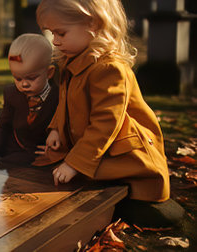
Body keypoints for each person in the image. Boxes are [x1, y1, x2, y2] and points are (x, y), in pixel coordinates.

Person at [33, 0, 184, 226]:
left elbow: (106, 123)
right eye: (52, 33)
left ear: (93, 23)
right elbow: (65, 102)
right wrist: (56, 128)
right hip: (95, 149)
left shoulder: (109, 68)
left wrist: (74, 163)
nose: (55, 41)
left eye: (61, 33)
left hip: (125, 155)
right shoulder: (74, 60)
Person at [0, 33, 58, 165]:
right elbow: (3, 125)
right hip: (16, 151)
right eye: (18, 78)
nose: (24, 84)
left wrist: (60, 149)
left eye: (31, 78)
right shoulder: (12, 93)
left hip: (48, 156)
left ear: (49, 73)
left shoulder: (59, 95)